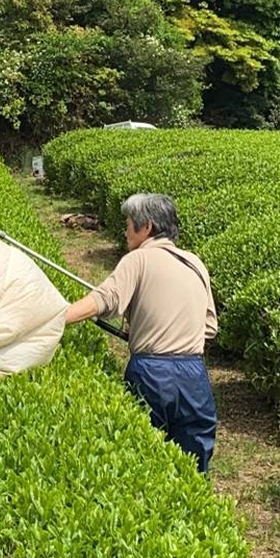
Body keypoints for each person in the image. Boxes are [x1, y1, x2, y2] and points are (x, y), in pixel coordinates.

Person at [64, 192, 218, 473]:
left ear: (146, 227)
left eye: (128, 224)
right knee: (193, 463)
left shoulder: (137, 260)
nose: (125, 231)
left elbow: (105, 300)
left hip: (152, 372)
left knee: (146, 461)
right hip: (194, 373)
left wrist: (58, 317)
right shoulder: (196, 264)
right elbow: (209, 327)